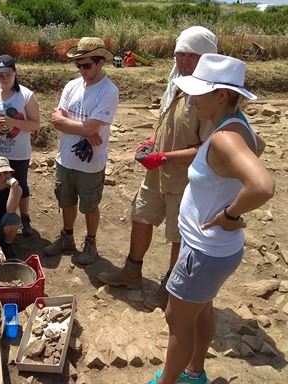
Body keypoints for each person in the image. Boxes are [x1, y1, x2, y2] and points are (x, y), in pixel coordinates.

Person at [148, 54, 275, 384]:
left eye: (197, 93)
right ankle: (194, 372)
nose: (190, 101)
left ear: (221, 95)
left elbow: (263, 186)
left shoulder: (224, 136)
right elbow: (256, 147)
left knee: (177, 320)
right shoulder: (236, 127)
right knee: (202, 308)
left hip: (204, 253)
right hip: (213, 249)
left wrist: (229, 213)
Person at [98, 26, 218, 309]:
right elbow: (166, 126)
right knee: (140, 215)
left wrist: (165, 157)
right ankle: (131, 272)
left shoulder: (210, 95)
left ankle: (171, 285)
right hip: (158, 172)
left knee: (179, 234)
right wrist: (151, 143)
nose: (184, 61)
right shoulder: (175, 84)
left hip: (187, 180)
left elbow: (208, 148)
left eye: (192, 55)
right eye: (180, 54)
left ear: (208, 57)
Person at [43, 37, 119, 265]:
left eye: (86, 65)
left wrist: (85, 128)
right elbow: (56, 120)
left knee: (90, 205)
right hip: (66, 158)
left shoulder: (108, 91)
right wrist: (86, 131)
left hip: (91, 163)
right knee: (65, 200)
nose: (82, 70)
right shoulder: (71, 86)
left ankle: (91, 242)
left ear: (100, 63)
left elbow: (78, 124)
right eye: (78, 65)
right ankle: (67, 237)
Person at [0, 54, 40, 237]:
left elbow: (35, 124)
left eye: (8, 74)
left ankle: (24, 217)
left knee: (20, 185)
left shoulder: (26, 96)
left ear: (15, 73)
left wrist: (13, 122)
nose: (4, 79)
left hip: (17, 153)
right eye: (0, 75)